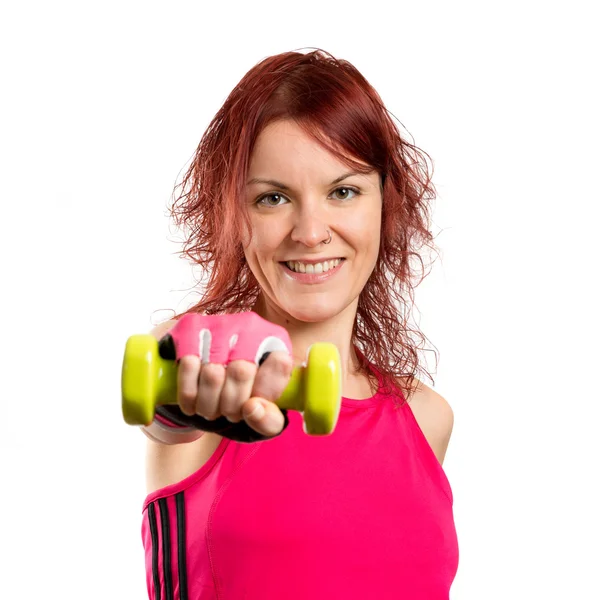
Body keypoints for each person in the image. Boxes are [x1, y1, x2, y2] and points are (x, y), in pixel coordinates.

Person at [137, 48, 458, 599]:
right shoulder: (207, 369)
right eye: (273, 198)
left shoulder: (426, 419)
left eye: (343, 191)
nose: (310, 231)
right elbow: (168, 396)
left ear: (386, 202)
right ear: (238, 219)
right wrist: (182, 400)